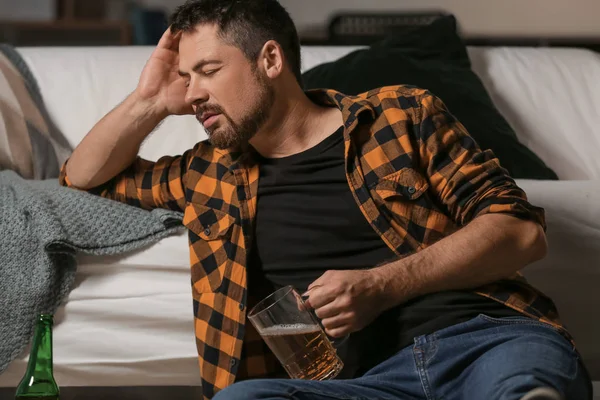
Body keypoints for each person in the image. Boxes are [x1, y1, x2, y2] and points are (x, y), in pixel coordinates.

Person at [59, 1, 593, 399]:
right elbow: (82, 178)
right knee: (242, 398)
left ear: (269, 59)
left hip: (485, 343)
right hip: (360, 385)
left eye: (210, 70)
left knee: (525, 386)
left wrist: (381, 285)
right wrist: (150, 99)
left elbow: (520, 231)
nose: (194, 93)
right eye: (185, 78)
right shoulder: (208, 172)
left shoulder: (399, 115)